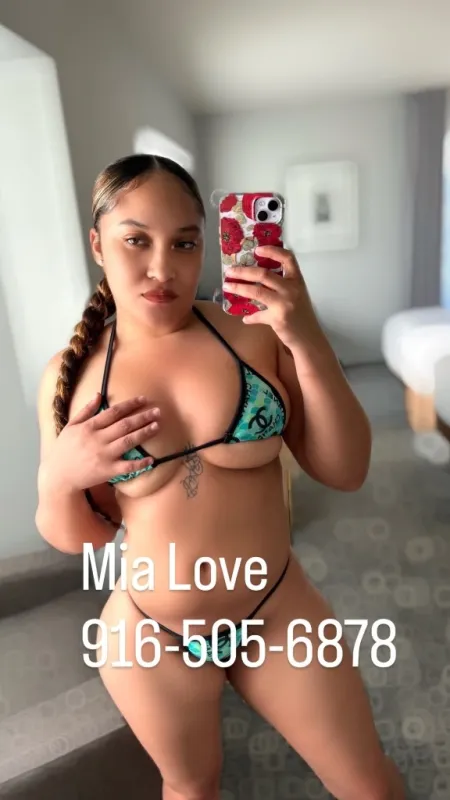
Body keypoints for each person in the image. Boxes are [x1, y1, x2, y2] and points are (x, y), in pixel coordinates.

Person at [35, 154, 405, 800]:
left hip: (276, 610)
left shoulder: (254, 334)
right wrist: (60, 477)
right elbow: (82, 539)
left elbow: (347, 470)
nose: (162, 268)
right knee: (191, 789)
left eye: (185, 243)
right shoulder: (74, 375)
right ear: (97, 245)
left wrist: (306, 336)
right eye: (136, 241)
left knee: (370, 787)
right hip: (152, 635)